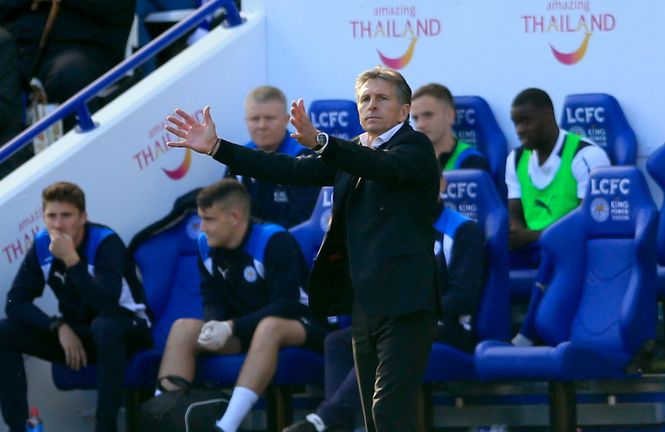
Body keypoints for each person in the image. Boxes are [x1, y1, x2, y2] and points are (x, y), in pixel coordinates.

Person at [164, 65, 440, 432]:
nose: (371, 105)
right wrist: (218, 148)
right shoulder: (354, 151)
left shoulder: (414, 146)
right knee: (375, 416)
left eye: (382, 98)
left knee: (391, 409)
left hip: (407, 303)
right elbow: (289, 170)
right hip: (366, 304)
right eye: (365, 98)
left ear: (405, 110)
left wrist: (323, 142)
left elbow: (381, 166)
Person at [283, 175, 485, 432]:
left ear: (441, 185)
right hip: (399, 319)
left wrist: (411, 308)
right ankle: (340, 424)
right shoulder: (394, 229)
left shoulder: (463, 230)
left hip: (449, 327)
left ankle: (325, 420)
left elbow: (464, 297)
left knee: (389, 337)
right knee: (339, 342)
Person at [152, 179, 327, 432]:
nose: (203, 228)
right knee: (183, 328)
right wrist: (215, 323)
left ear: (235, 217)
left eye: (210, 220)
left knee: (270, 327)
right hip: (245, 329)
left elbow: (287, 305)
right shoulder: (205, 245)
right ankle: (164, 417)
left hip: (302, 324)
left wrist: (231, 327)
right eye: (201, 218)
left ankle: (226, 426)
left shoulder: (273, 240)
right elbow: (212, 297)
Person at [0, 181, 152, 432]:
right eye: (51, 216)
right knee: (5, 332)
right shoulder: (41, 245)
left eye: (66, 216)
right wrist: (57, 326)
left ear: (83, 217)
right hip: (82, 335)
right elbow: (15, 303)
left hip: (129, 330)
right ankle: (19, 428)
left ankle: (106, 427)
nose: (58, 225)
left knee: (105, 326)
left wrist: (72, 260)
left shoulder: (105, 242)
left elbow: (106, 303)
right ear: (43, 217)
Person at [505, 88, 610, 347]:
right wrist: (515, 232)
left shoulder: (585, 155)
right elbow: (514, 211)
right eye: (515, 123)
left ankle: (527, 335)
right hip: (531, 245)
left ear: (548, 116)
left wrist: (537, 236)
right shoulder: (516, 158)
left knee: (554, 251)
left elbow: (591, 221)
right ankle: (477, 333)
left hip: (575, 248)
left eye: (526, 121)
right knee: (485, 253)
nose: (519, 130)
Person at [0, 0, 135, 173]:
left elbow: (114, 9)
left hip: (80, 44)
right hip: (16, 45)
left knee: (68, 76)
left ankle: (77, 175)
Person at [229, 85, 320, 228]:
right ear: (246, 121)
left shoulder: (303, 156)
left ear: (286, 120)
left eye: (269, 118)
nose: (261, 125)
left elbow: (303, 218)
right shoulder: (240, 156)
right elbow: (225, 209)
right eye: (254, 119)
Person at [410, 83, 490, 172]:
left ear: (450, 115)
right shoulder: (409, 161)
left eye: (428, 115)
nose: (420, 124)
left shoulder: (472, 161)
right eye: (415, 118)